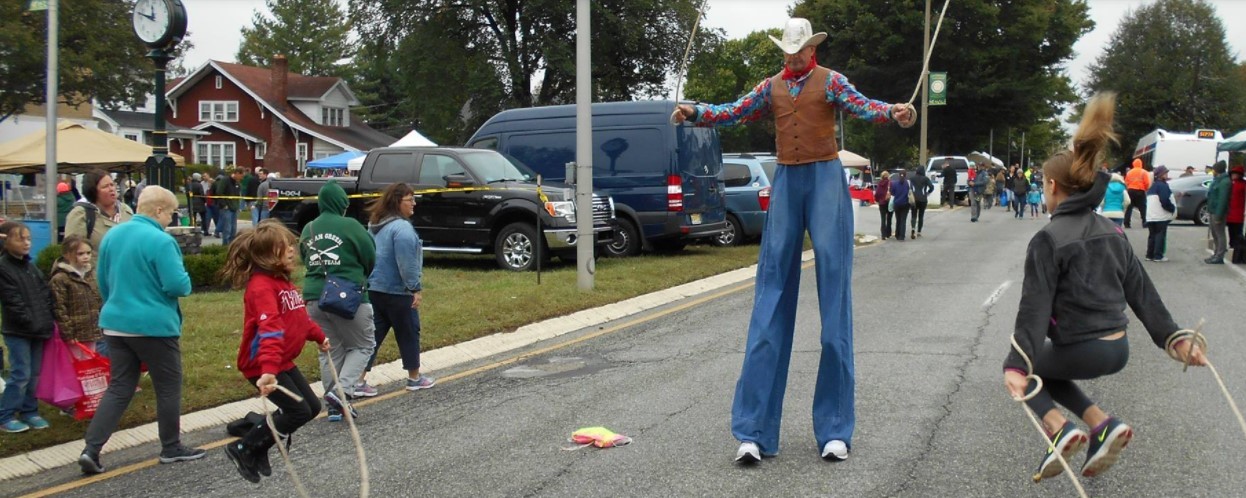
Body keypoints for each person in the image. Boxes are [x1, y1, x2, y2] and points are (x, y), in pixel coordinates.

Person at [670, 17, 917, 463]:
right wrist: (695, 111)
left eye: (798, 51)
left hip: (825, 180)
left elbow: (865, 106)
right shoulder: (771, 86)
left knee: (834, 303)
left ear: (812, 49)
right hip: (786, 181)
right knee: (770, 300)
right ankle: (754, 431)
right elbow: (734, 110)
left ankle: (835, 430)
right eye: (787, 52)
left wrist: (895, 111)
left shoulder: (832, 82)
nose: (793, 57)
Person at [1003, 93, 1208, 481]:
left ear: (1051, 186)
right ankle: (1101, 424)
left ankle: (1058, 429)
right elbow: (1143, 293)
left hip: (1083, 348)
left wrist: (1015, 365)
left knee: (1028, 369)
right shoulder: (1113, 231)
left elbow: (1034, 309)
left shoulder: (1048, 239)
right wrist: (1175, 339)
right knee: (1048, 367)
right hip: (1118, 349)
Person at [78, 186, 203, 475]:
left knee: (120, 387)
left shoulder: (113, 235)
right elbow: (177, 285)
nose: (172, 219)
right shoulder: (161, 240)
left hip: (115, 322)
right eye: (172, 213)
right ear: (158, 210)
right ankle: (171, 446)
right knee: (168, 386)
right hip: (153, 325)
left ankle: (91, 449)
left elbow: (102, 279)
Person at [219, 221, 330, 483]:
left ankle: (254, 425)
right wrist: (268, 371)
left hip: (281, 360)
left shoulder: (282, 283)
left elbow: (298, 318)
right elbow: (269, 329)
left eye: (291, 245)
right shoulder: (261, 287)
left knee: (312, 407)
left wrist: (318, 336)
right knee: (297, 411)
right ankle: (243, 448)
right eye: (284, 247)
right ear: (268, 254)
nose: (292, 250)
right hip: (263, 364)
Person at [299, 181, 377, 419]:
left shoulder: (308, 228)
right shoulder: (351, 226)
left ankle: (334, 404)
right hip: (348, 296)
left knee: (329, 350)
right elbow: (370, 256)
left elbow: (305, 257)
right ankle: (342, 392)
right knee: (364, 345)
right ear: (342, 203)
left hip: (313, 297)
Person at [364, 182, 435, 392]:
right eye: (410, 199)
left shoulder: (374, 224)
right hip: (398, 291)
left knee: (372, 337)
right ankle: (414, 377)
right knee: (409, 332)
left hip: (375, 289)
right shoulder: (402, 229)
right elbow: (407, 263)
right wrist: (415, 288)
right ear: (398, 202)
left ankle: (358, 380)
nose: (414, 204)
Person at [0, 221, 56, 433]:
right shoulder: (4, 268)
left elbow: (44, 294)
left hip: (39, 329)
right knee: (20, 373)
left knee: (35, 374)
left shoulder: (31, 267)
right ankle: (5, 414)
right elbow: (12, 302)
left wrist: (47, 320)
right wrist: (32, 322)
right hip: (18, 331)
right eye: (20, 238)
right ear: (6, 242)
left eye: (28, 238)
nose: (26, 243)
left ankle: (29, 410)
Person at [50, 235, 105, 356]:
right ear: (67, 254)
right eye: (80, 254)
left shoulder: (91, 275)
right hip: (74, 333)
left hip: (92, 330)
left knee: (90, 365)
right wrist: (68, 334)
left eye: (88, 253)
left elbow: (98, 301)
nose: (86, 257)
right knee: (75, 365)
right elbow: (59, 308)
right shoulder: (61, 278)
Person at [65, 169, 135, 252]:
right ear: (93, 192)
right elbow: (72, 251)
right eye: (105, 186)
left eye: (112, 185)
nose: (111, 189)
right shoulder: (81, 214)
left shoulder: (126, 210)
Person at [1144, 166, 1175, 262]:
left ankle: (1149, 255)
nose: (1167, 174)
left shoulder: (1152, 186)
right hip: (1160, 215)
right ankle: (1158, 256)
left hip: (1150, 215)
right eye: (1165, 173)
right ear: (1161, 175)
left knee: (1152, 235)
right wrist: (1172, 208)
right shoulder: (1163, 186)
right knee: (1160, 235)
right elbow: (1165, 200)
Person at [1205, 162, 1229, 264]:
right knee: (1215, 233)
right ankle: (1216, 253)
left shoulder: (1225, 182)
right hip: (1212, 210)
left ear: (1218, 170)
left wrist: (1219, 216)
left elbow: (1222, 200)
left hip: (1217, 212)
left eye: (1214, 169)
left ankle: (1220, 256)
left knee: (1220, 234)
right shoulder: (1217, 180)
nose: (1212, 171)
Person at [214, 167, 245, 244]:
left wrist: (238, 207)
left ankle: (232, 244)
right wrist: (224, 204)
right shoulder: (225, 180)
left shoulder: (238, 184)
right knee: (227, 228)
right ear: (237, 173)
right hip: (226, 208)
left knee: (233, 229)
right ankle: (225, 245)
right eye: (241, 176)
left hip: (234, 208)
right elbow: (219, 192)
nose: (242, 178)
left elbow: (238, 196)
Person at [1124, 158, 1151, 229]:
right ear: (1141, 164)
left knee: (1129, 207)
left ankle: (1127, 223)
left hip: (1130, 190)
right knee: (1143, 207)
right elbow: (1147, 183)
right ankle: (1144, 222)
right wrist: (1145, 189)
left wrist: (1128, 189)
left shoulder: (1129, 172)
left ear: (1133, 164)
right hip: (1140, 191)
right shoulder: (1143, 172)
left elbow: (1126, 182)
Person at [1227, 166, 1246, 264]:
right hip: (1230, 214)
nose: (1234, 175)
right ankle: (1233, 251)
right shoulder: (1230, 183)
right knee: (1231, 233)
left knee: (1238, 235)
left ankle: (1239, 254)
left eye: (1236, 173)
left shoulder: (1243, 184)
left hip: (1239, 214)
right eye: (1233, 173)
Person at [910, 168, 933, 238]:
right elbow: (931, 187)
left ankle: (913, 228)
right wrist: (928, 193)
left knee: (913, 215)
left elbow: (910, 187)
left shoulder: (912, 178)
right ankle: (919, 232)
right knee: (921, 215)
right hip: (923, 199)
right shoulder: (926, 179)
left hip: (914, 198)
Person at [890, 170, 911, 241]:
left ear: (899, 175)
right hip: (905, 203)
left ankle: (897, 234)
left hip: (897, 203)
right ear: (905, 175)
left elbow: (892, 193)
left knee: (898, 219)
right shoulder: (907, 184)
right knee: (903, 220)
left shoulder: (894, 183)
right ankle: (902, 236)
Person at [874, 171, 893, 239]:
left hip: (882, 203)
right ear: (888, 176)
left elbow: (877, 193)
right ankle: (888, 233)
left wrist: (877, 200)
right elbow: (893, 192)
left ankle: (883, 235)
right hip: (889, 202)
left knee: (883, 219)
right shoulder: (890, 183)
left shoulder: (879, 184)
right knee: (889, 218)